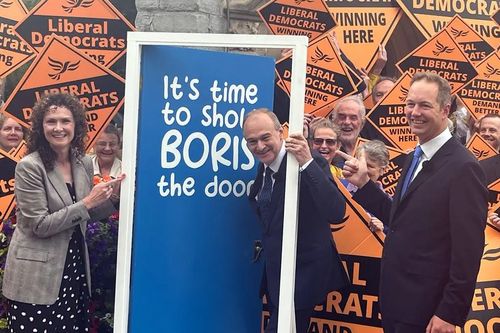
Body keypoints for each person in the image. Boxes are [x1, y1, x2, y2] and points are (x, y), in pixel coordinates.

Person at [338, 72, 487, 333]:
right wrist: (364, 184)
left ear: (445, 110)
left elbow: (468, 252)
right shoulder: (413, 158)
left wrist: (449, 313)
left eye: (424, 105)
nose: (414, 112)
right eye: (410, 103)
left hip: (428, 313)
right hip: (397, 304)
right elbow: (398, 220)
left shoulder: (464, 168)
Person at [2, 93, 125, 332]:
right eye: (51, 121)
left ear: (76, 125)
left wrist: (115, 198)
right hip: (37, 279)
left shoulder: (83, 162)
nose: (59, 128)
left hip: (74, 272)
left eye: (65, 121)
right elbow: (39, 225)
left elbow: (82, 214)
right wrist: (89, 201)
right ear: (41, 127)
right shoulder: (29, 166)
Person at [242, 108, 348, 333]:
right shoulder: (264, 167)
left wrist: (307, 162)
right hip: (276, 279)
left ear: (281, 132)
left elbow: (336, 211)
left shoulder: (308, 161)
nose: (259, 146)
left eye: (265, 137)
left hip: (305, 276)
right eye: (252, 141)